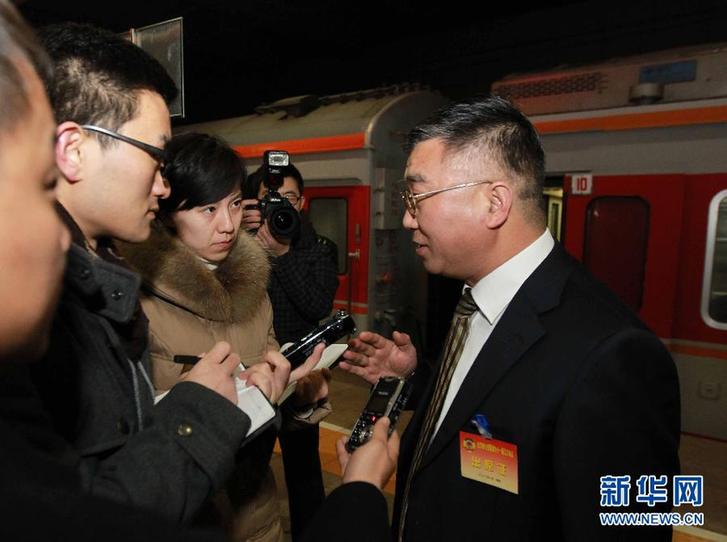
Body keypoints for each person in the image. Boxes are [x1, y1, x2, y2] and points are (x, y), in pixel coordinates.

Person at [339, 96, 681, 541]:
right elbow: (494, 397)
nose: (406, 219)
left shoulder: (617, 355)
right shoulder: (476, 301)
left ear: (494, 203)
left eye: (417, 196)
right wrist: (415, 379)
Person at [25, 22, 303, 524]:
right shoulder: (32, 307)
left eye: (235, 205)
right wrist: (200, 409)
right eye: (154, 157)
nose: (161, 185)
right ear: (73, 149)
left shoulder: (90, 281)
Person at [120, 132, 328, 541]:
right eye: (207, 209)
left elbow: (269, 391)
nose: (228, 225)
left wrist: (298, 392)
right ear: (166, 212)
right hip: (179, 518)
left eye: (234, 203)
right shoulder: (134, 300)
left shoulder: (255, 287)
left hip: (257, 514)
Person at [243, 162, 339, 539]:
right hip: (255, 375)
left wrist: (282, 255)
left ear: (303, 203)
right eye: (270, 199)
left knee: (304, 474)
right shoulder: (238, 248)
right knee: (247, 473)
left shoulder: (318, 248)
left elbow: (316, 306)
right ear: (253, 204)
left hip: (301, 378)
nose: (281, 206)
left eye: (290, 198)